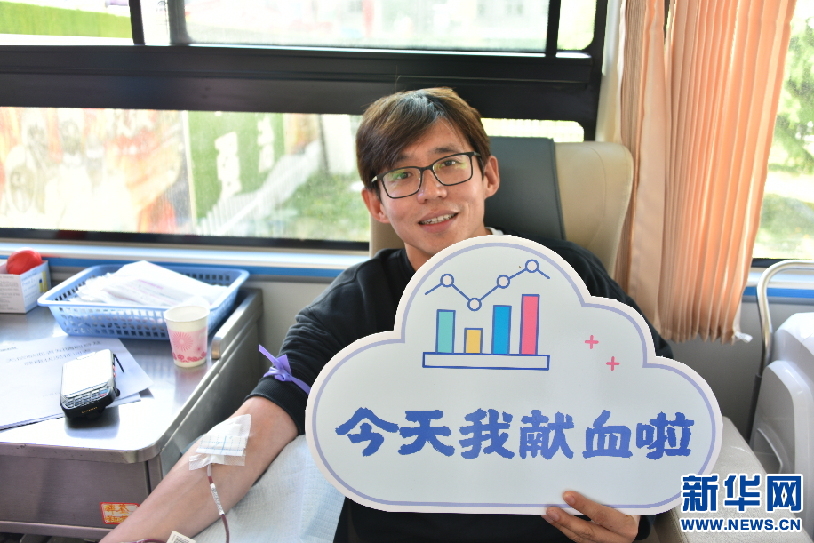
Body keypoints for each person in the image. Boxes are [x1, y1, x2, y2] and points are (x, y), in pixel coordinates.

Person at [102, 87, 672, 543]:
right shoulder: (356, 306)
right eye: (402, 175)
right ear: (376, 203)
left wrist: (639, 516)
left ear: (488, 176)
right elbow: (246, 438)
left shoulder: (569, 276)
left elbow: (666, 402)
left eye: (449, 164)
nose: (431, 191)